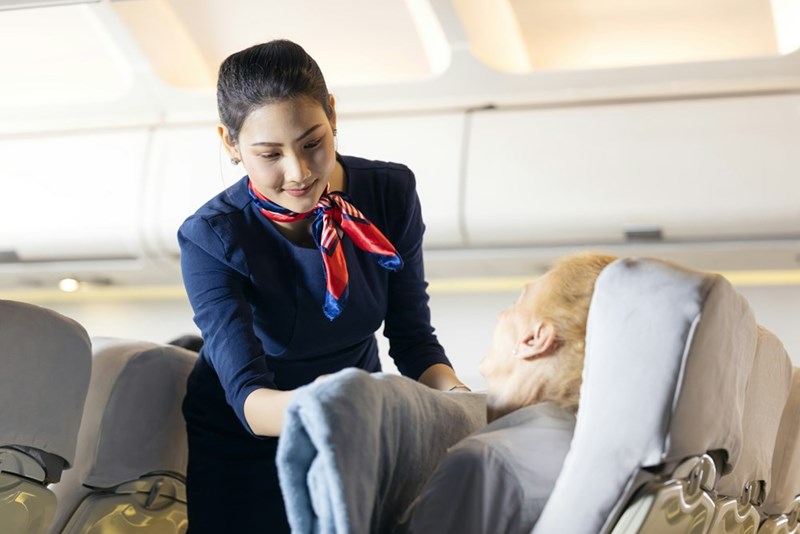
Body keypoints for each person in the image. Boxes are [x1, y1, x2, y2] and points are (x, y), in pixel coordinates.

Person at [177, 39, 468, 533]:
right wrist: (346, 406)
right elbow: (249, 399)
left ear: (332, 114)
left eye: (312, 142)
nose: (300, 172)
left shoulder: (389, 192)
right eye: (269, 154)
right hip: (249, 443)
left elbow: (414, 341)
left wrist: (462, 403)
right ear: (230, 143)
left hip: (356, 428)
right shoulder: (212, 236)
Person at [397, 252, 617, 534]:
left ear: (534, 340)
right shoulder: (588, 457)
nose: (502, 315)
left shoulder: (486, 464)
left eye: (516, 304)